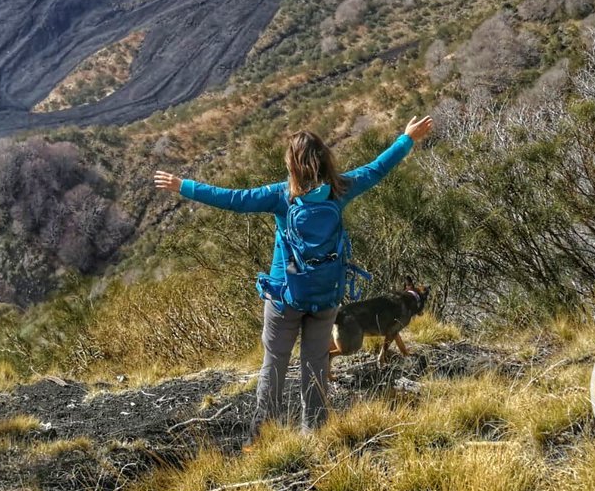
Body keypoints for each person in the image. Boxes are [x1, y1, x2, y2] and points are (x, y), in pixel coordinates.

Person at [153, 115, 433, 443]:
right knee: (315, 366)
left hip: (285, 297)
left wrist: (182, 185)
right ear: (324, 160)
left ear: (293, 165)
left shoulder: (281, 196)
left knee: (274, 366)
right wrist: (407, 139)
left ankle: (260, 440)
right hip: (326, 298)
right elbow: (376, 169)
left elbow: (232, 199)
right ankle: (313, 437)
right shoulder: (340, 189)